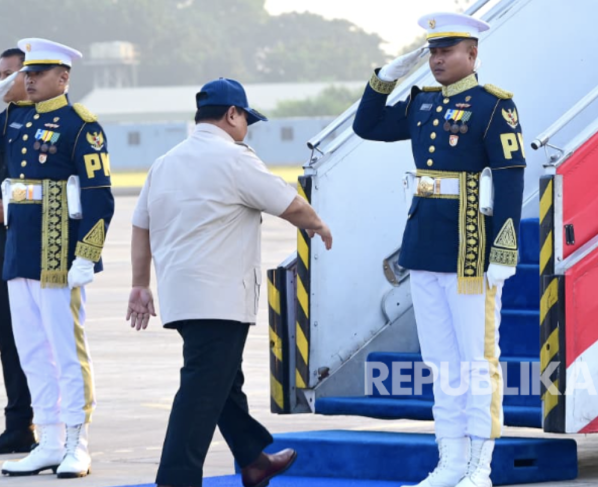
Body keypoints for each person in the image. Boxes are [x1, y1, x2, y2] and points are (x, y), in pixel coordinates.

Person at [127, 77, 333, 487]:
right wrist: (318, 224)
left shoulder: (165, 162)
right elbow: (288, 202)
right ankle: (175, 480)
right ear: (232, 114)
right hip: (219, 298)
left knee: (222, 381)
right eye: (245, 121)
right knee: (201, 392)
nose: (246, 130)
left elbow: (140, 226)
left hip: (181, 297)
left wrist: (139, 284)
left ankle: (254, 460)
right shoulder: (234, 158)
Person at [353, 12, 525, 487]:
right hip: (424, 246)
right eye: (432, 52)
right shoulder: (423, 103)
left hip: (470, 249)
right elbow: (367, 126)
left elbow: (510, 180)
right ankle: (450, 460)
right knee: (441, 362)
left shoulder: (494, 106)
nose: (437, 60)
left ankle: (479, 467)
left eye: (446, 51)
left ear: (472, 54)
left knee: (477, 361)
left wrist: (504, 250)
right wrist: (384, 79)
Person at [0, 38, 115, 478]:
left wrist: (87, 255)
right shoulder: (15, 120)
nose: (28, 80)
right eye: (25, 73)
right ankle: (48, 440)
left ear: (64, 77)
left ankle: (76, 443)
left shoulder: (81, 126)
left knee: (66, 351)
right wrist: (9, 83)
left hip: (59, 255)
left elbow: (99, 197)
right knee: (31, 352)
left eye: (38, 73)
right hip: (19, 252)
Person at [0, 47, 35, 454]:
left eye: (13, 73)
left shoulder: (53, 123)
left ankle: (45, 425)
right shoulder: (3, 120)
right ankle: (18, 423)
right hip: (6, 244)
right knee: (8, 340)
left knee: (33, 339)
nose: (6, 82)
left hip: (30, 244)